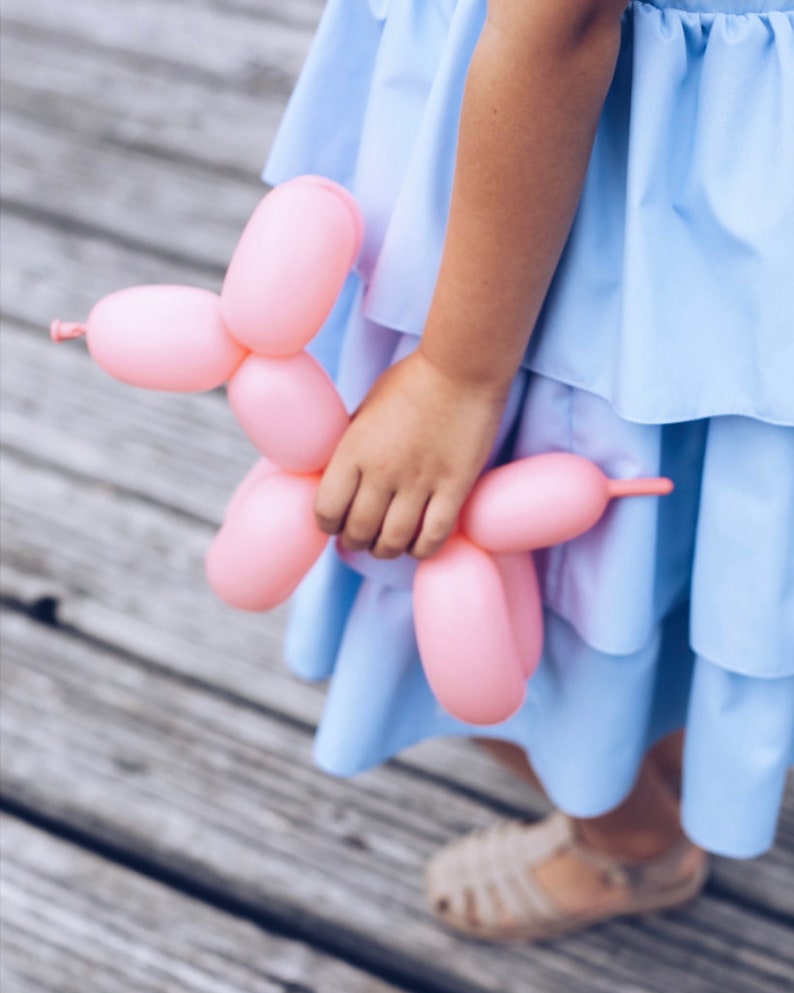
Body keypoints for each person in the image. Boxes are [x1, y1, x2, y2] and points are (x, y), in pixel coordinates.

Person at [263, 0, 794, 940]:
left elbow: (561, 21)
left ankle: (630, 844)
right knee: (687, 523)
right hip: (725, 161)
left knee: (493, 589)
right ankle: (662, 751)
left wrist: (458, 374)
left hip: (579, 195)